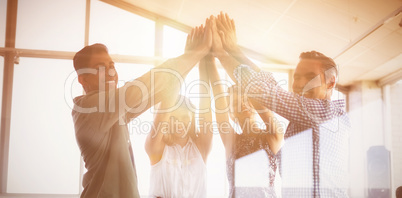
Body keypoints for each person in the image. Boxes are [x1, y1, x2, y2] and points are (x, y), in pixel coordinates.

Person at [213, 12, 350, 197]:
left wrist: (222, 53)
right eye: (297, 77)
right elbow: (269, 85)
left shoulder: (325, 113)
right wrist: (234, 50)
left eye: (310, 78)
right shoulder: (302, 121)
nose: (300, 84)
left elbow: (265, 90)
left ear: (331, 83)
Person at [71, 18, 212, 198]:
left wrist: (190, 57)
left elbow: (163, 91)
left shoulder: (114, 113)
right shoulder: (91, 109)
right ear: (84, 80)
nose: (111, 73)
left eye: (111, 66)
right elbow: (150, 83)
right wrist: (198, 52)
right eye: (100, 68)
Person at [206, 17, 284, 197]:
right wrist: (209, 55)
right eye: (235, 103)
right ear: (230, 113)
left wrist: (226, 50)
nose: (243, 104)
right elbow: (218, 93)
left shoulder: (273, 136)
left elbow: (258, 88)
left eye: (246, 99)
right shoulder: (230, 140)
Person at [145, 24, 213, 198]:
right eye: (173, 117)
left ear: (191, 117)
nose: (180, 123)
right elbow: (168, 97)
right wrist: (189, 57)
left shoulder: (201, 146)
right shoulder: (156, 148)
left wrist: (203, 58)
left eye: (184, 117)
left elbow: (205, 100)